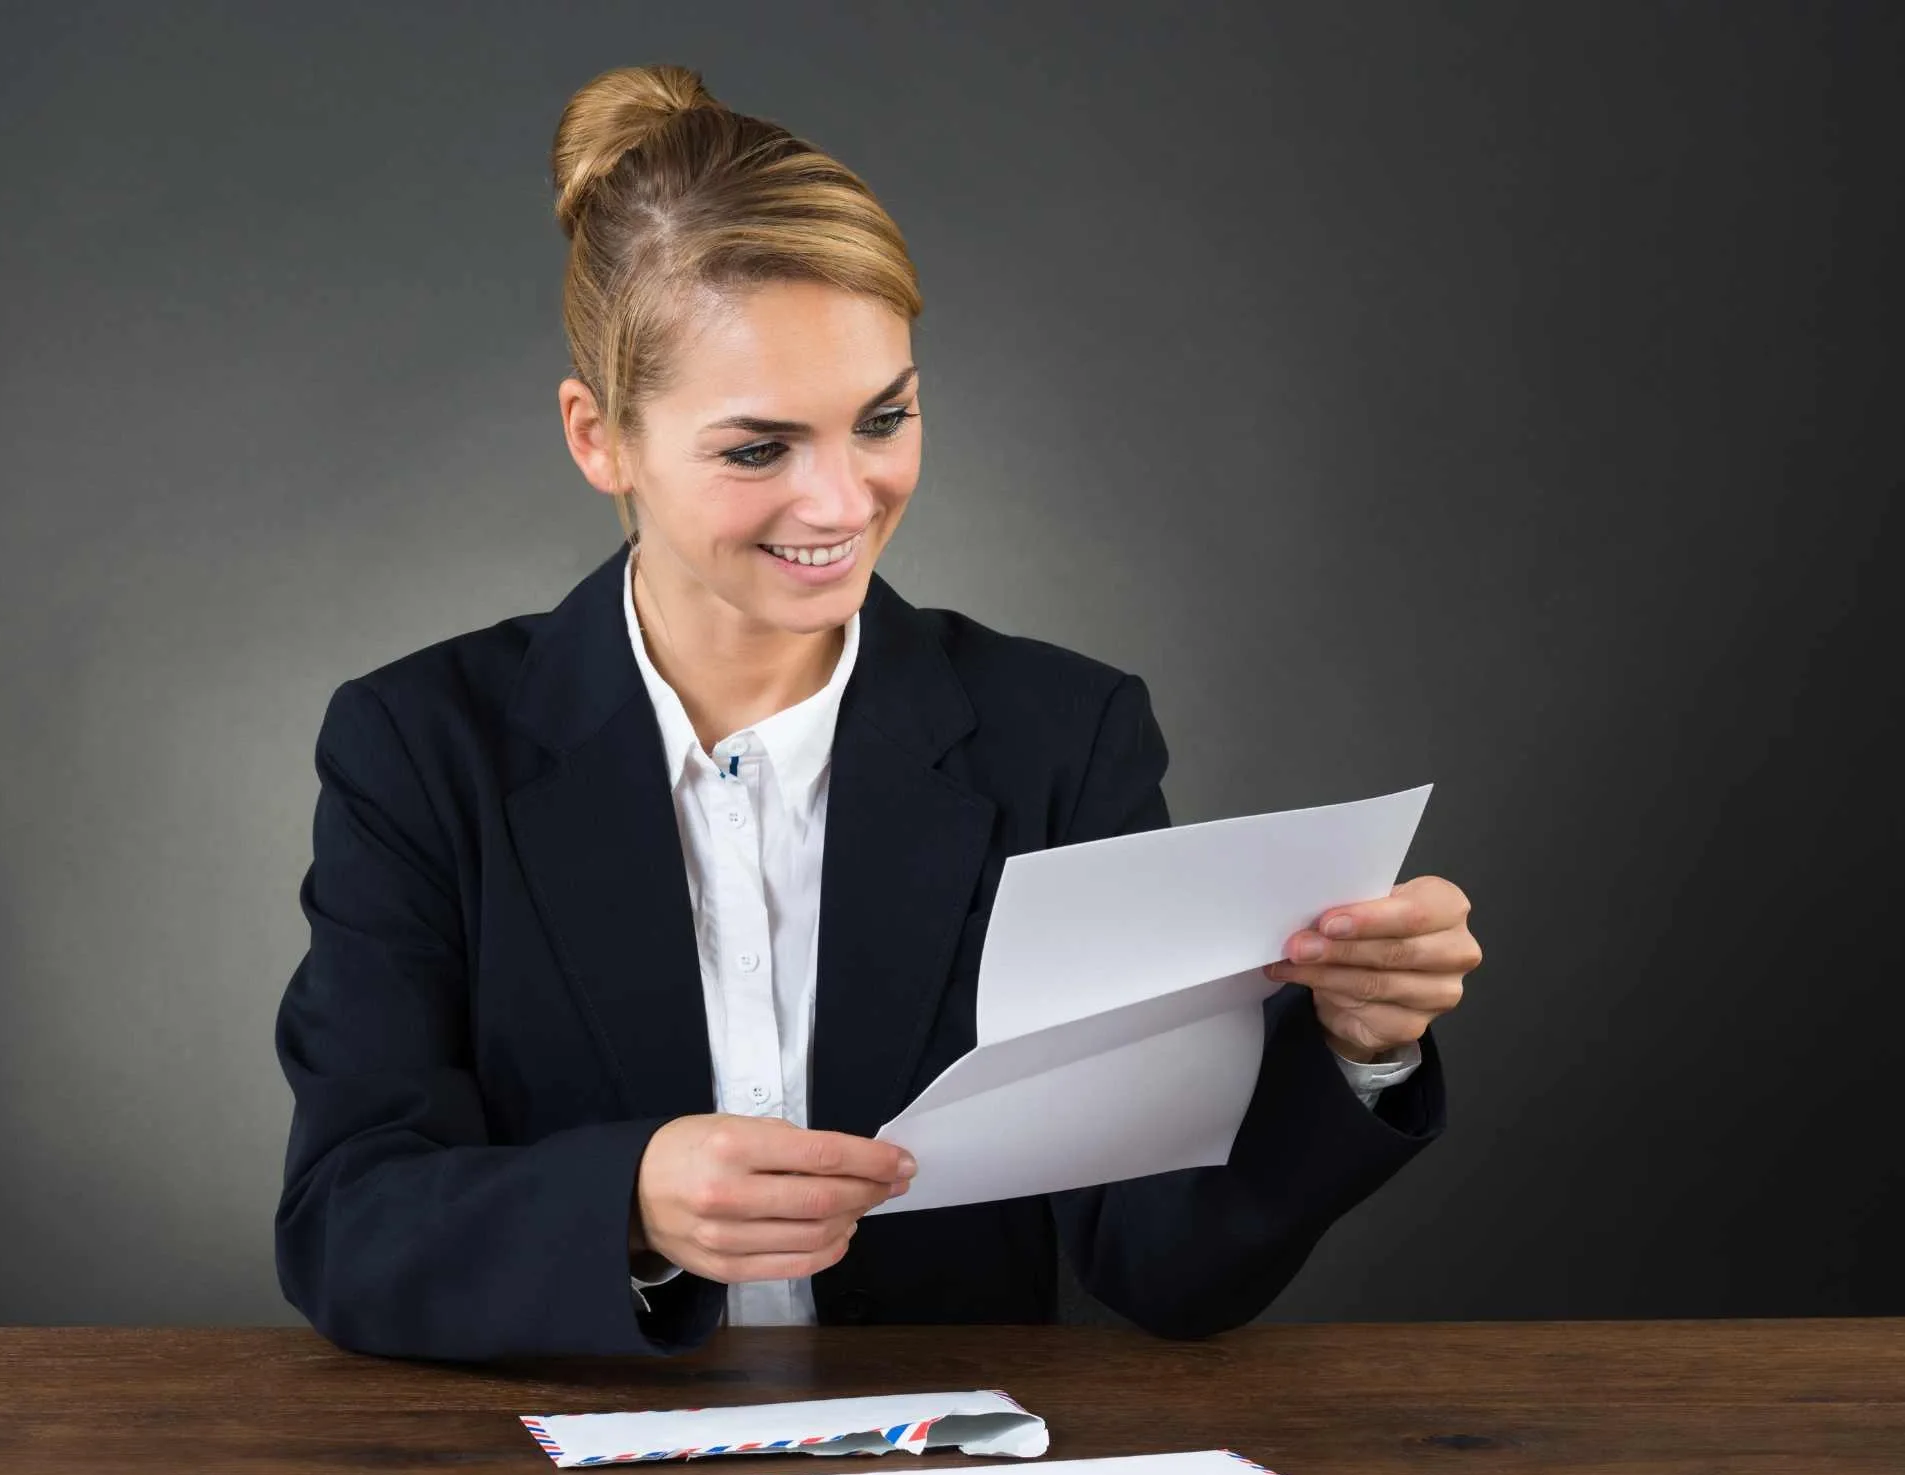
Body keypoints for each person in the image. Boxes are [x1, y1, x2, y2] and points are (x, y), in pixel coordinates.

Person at [273, 64, 1481, 1362]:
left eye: (882, 419)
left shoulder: (1057, 739)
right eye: (758, 448)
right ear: (598, 439)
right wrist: (624, 1204)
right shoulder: (420, 747)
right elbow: (349, 1220)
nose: (842, 502)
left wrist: (1357, 1048)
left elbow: (1161, 1259)